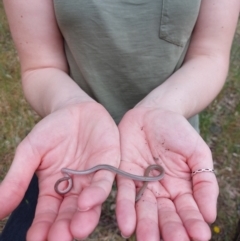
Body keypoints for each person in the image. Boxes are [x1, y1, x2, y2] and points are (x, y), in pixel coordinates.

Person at [0, 0, 239, 240]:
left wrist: (163, 108)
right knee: (41, 220)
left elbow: (210, 55)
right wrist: (69, 105)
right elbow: (40, 65)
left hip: (163, 144)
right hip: (73, 142)